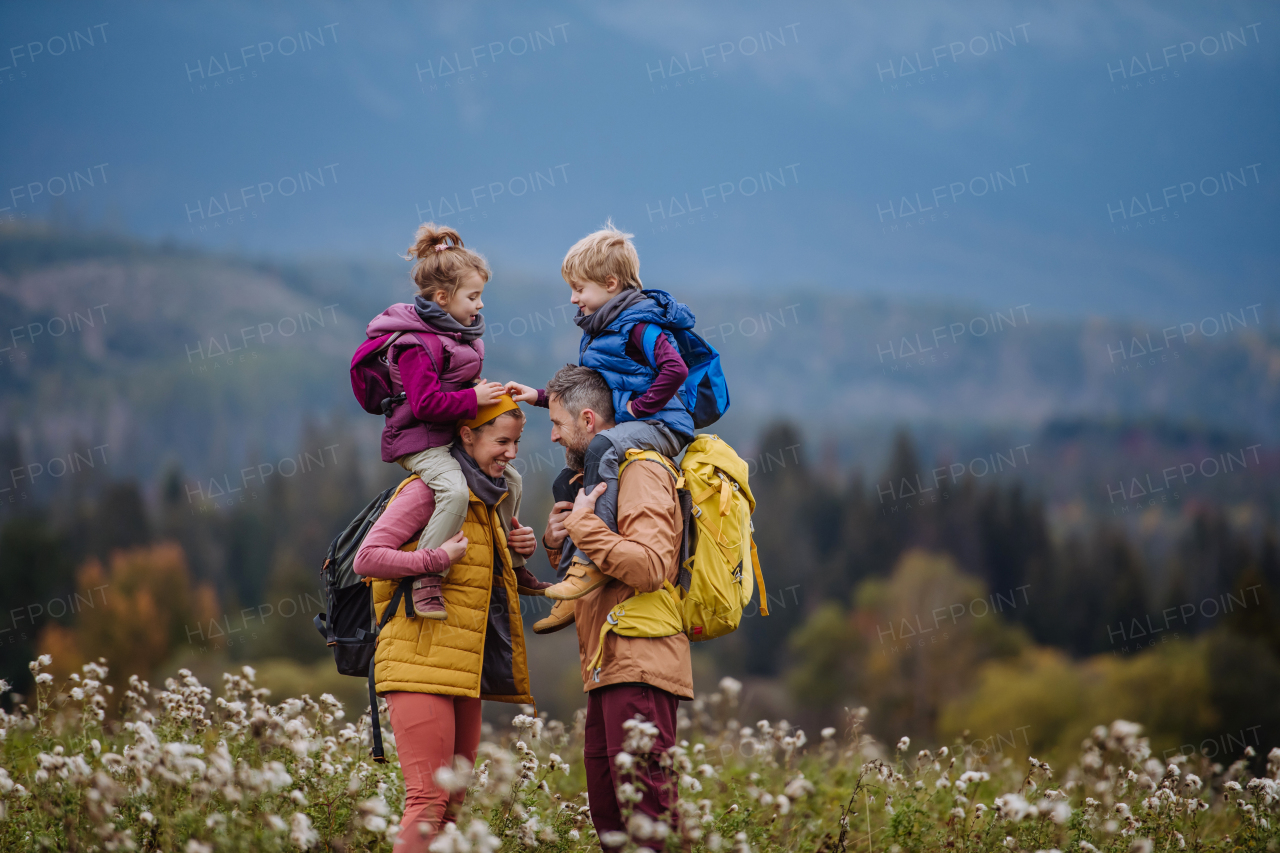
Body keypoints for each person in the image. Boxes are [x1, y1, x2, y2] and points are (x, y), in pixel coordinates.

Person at [352, 397, 547, 851]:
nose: (511, 453)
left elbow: (479, 581)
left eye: (517, 443)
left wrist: (517, 547)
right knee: (428, 800)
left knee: (453, 802)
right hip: (418, 665)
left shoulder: (488, 499)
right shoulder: (426, 491)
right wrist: (436, 558)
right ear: (467, 435)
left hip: (463, 671)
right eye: (501, 442)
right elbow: (367, 558)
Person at [506, 221, 698, 629]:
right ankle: (573, 582)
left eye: (580, 289)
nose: (573, 298)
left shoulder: (639, 324)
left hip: (663, 424)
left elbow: (675, 368)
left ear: (610, 283)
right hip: (634, 421)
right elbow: (591, 396)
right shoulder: (600, 330)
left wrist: (639, 409)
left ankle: (589, 564)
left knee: (602, 447)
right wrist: (538, 396)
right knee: (567, 478)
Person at [540, 364, 692, 840]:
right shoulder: (593, 477)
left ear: (588, 420)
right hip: (606, 664)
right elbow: (596, 575)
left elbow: (649, 567)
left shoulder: (641, 469)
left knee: (648, 820)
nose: (552, 438)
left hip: (640, 658)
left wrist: (584, 527)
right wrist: (556, 541)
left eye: (557, 425)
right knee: (612, 824)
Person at [356, 222, 532, 620]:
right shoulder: (413, 345)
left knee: (514, 480)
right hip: (418, 441)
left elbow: (453, 386)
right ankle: (428, 576)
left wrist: (480, 391)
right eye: (473, 296)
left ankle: (515, 565)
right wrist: (472, 397)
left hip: (445, 433)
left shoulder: (458, 336)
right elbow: (424, 405)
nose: (480, 305)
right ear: (442, 297)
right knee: (452, 492)